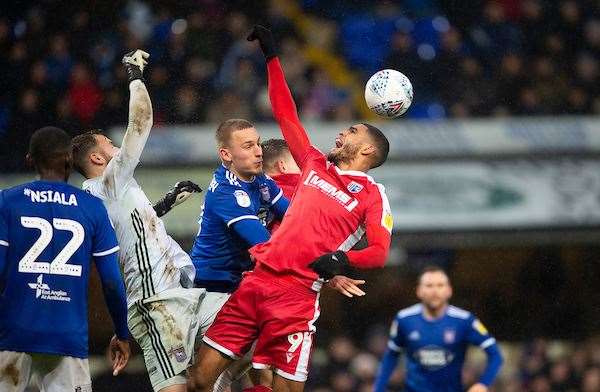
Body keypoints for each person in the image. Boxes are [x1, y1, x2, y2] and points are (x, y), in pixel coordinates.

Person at [188, 26, 393, 392]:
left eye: (351, 131)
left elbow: (378, 253)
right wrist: (272, 57)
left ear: (365, 151)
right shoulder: (314, 164)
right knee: (200, 379)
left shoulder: (373, 196)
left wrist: (342, 261)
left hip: (296, 297)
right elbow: (286, 112)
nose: (340, 133)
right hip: (255, 282)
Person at [71, 50, 204, 392]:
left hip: (171, 291)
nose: (118, 147)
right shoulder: (109, 181)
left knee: (211, 370)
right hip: (155, 299)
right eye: (110, 145)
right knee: (181, 385)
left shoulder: (103, 194)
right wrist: (134, 75)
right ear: (98, 157)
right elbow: (141, 122)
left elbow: (129, 229)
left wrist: (164, 204)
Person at [0, 126, 130, 391]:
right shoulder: (91, 207)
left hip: (14, 331)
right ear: (70, 160)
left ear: (30, 160)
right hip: (67, 333)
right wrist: (122, 332)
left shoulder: (7, 202)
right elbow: (112, 282)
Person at [374, 266, 504, 392]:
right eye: (429, 286)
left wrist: (483, 384)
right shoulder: (404, 319)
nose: (435, 291)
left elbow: (495, 355)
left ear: (449, 290)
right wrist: (378, 389)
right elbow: (391, 355)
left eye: (440, 285)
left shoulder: (465, 321)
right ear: (419, 291)